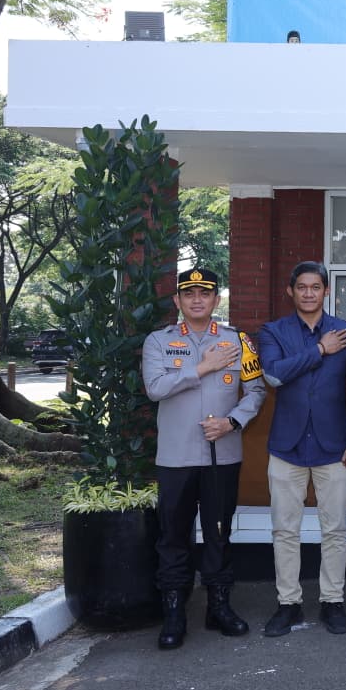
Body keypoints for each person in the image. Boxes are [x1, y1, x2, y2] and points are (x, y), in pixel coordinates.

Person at [143, 268, 266, 650]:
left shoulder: (237, 340)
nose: (197, 299)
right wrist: (202, 368)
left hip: (221, 456)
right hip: (176, 457)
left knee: (218, 533)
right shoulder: (159, 341)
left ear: (216, 299)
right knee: (173, 536)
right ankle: (174, 612)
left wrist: (232, 422)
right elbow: (155, 388)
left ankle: (219, 606)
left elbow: (256, 391)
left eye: (205, 293)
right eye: (189, 293)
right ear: (177, 300)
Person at [257, 261, 346, 638]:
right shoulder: (273, 331)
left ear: (326, 291)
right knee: (285, 530)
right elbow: (273, 374)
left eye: (315, 287)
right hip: (287, 445)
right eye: (301, 287)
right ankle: (289, 603)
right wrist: (320, 349)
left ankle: (333, 601)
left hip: (334, 446)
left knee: (335, 530)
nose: (308, 293)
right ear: (291, 291)